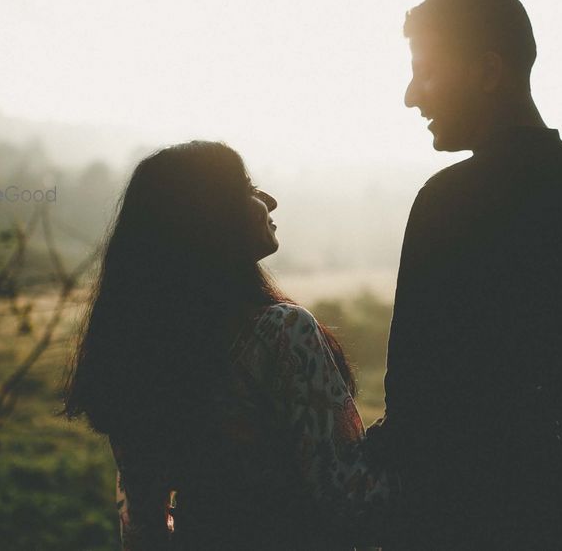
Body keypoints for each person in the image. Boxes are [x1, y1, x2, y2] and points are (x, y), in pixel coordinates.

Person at [365, 0, 562, 549]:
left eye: (426, 71)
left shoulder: (448, 202)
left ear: (488, 71)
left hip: (454, 519)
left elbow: (412, 395)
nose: (412, 95)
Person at [63, 141, 392, 550]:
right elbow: (348, 498)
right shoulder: (282, 331)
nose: (268, 199)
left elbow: (143, 526)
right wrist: (407, 431)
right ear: (210, 217)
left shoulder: (142, 353)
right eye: (248, 187)